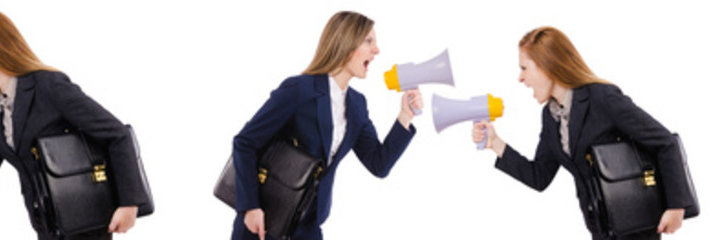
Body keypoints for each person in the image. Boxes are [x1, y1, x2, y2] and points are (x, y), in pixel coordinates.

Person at [0, 9, 153, 240]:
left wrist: (129, 203)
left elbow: (117, 135)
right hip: (47, 228)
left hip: (86, 226)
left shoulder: (49, 86)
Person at [471, 26, 697, 240]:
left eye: (524, 68)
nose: (520, 78)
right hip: (601, 229)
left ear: (547, 65)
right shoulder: (551, 117)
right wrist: (495, 143)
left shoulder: (602, 98)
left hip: (637, 227)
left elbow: (665, 142)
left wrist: (676, 206)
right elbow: (539, 176)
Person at [227, 11, 423, 240]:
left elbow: (378, 163)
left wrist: (404, 117)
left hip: (308, 228)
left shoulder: (357, 105)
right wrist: (250, 207)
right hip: (264, 224)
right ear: (345, 43)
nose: (377, 50)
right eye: (369, 41)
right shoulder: (298, 90)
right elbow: (245, 142)